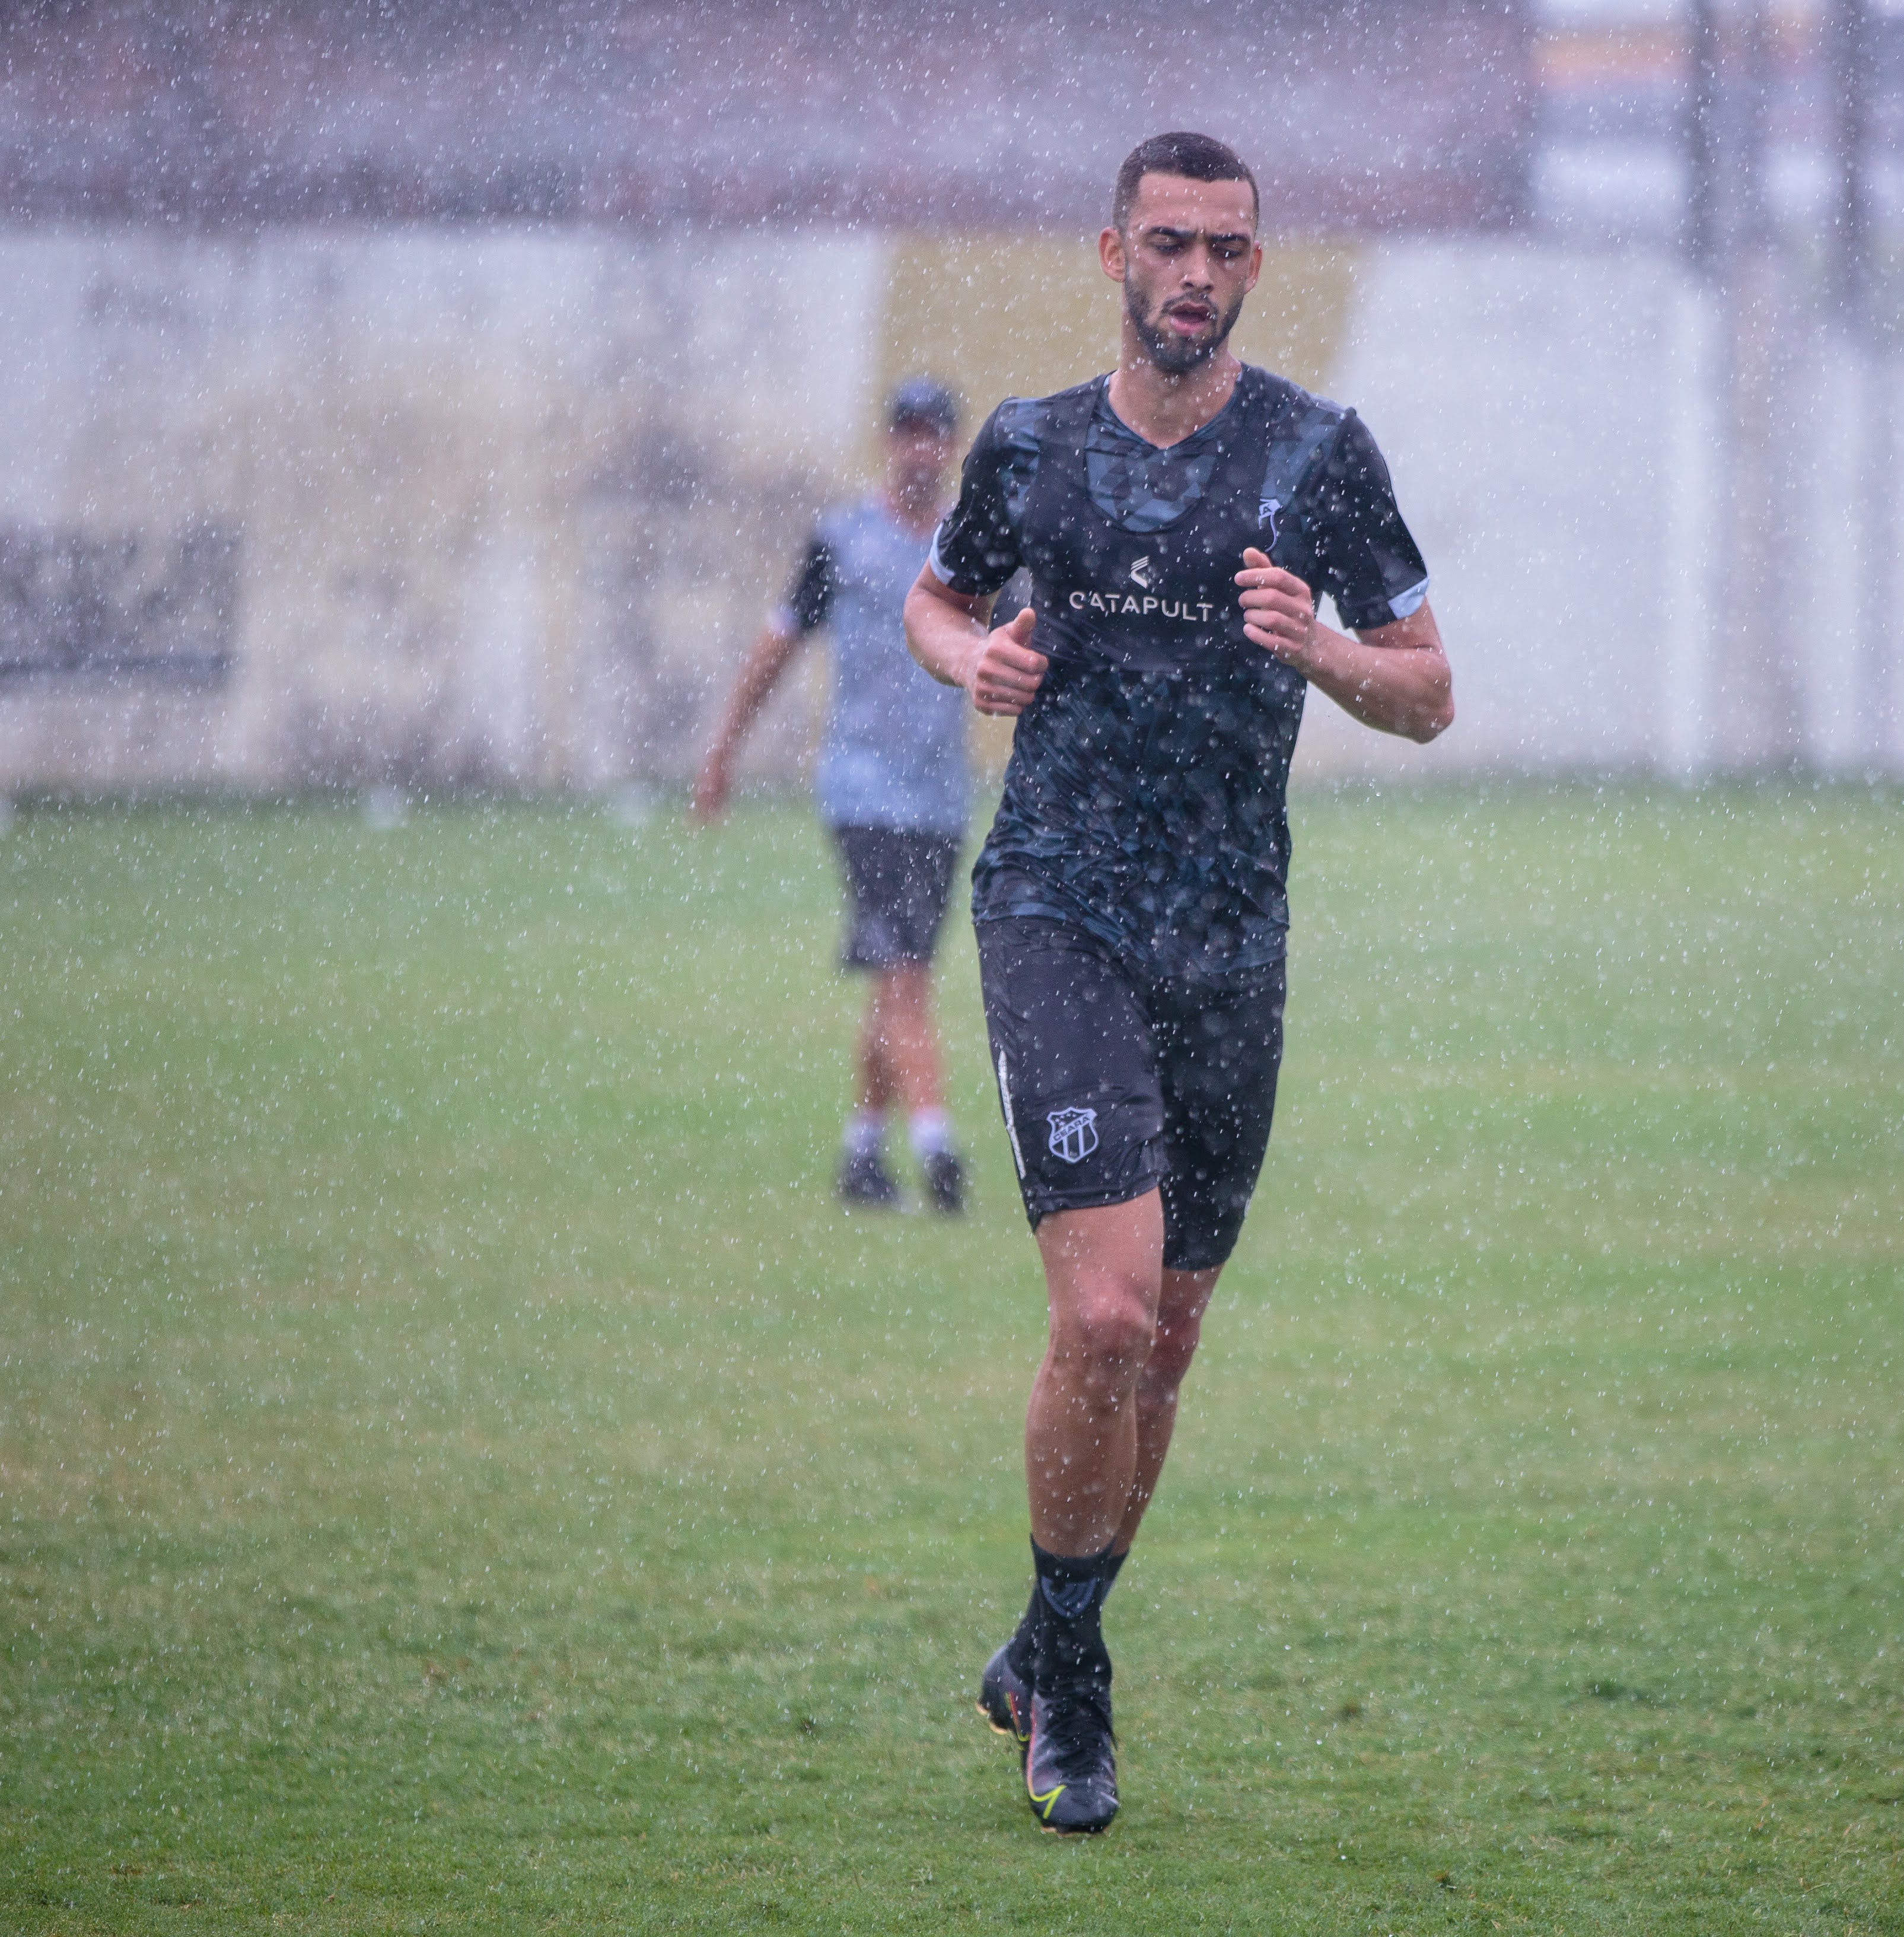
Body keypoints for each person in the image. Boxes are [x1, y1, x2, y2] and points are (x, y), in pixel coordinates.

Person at [902, 132, 1453, 1834]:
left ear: (1254, 267)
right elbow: (938, 599)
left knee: (1176, 1335)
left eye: (1224, 247)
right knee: (1107, 1311)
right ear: (1112, 255)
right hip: (1060, 908)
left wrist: (1327, 652)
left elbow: (1429, 691)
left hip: (1233, 940)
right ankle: (1078, 1696)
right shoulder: (1032, 448)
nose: (1194, 273)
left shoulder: (1317, 455)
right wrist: (969, 654)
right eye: (1167, 243)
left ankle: (1046, 1633)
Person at [695, 379, 973, 1214]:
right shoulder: (842, 541)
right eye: (907, 433)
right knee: (905, 971)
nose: (920, 449)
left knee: (896, 980)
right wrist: (723, 749)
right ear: (889, 442)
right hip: (860, 788)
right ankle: (936, 1141)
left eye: (934, 434)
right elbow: (776, 645)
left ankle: (861, 1154)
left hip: (939, 794)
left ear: (952, 445)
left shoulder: (973, 543)